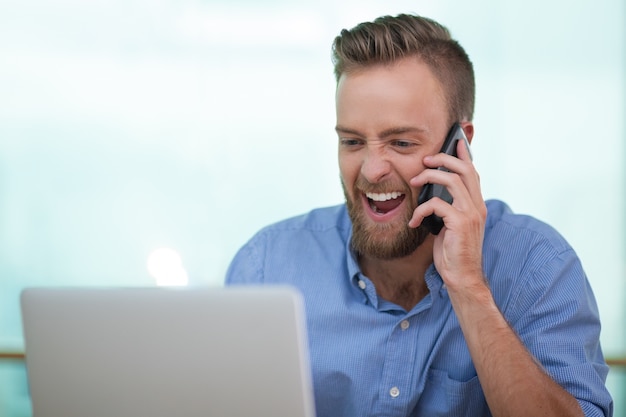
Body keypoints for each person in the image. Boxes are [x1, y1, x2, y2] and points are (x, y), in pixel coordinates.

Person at [225, 13, 613, 417]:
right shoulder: (265, 266)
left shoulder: (538, 265)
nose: (372, 170)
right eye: (353, 141)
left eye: (402, 142)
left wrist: (469, 288)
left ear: (459, 146)